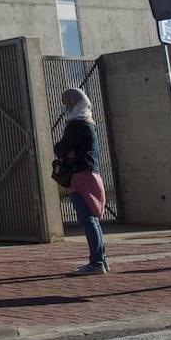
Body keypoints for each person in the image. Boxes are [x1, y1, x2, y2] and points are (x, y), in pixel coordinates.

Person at [54, 87, 108, 275]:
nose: (63, 107)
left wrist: (64, 153)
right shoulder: (89, 122)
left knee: (88, 220)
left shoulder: (76, 125)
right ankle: (101, 260)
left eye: (65, 102)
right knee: (93, 220)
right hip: (92, 175)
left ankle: (96, 263)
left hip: (80, 177)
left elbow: (61, 148)